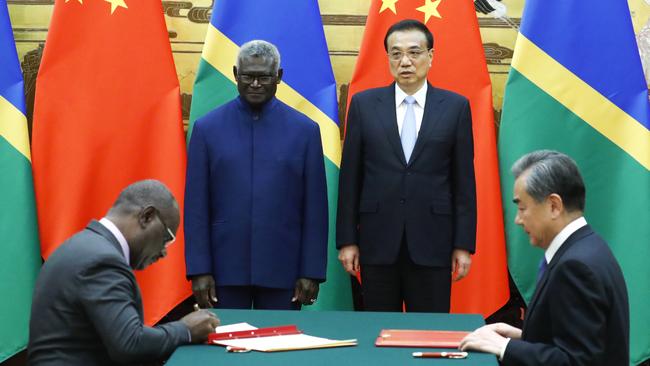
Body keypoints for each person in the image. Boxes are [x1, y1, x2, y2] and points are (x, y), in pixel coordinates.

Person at [336, 19, 476, 312]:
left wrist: (463, 245)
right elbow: (351, 178)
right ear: (387, 58)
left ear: (430, 56)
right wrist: (347, 240)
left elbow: (463, 182)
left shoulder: (455, 107)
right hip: (377, 242)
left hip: (433, 242)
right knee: (377, 332)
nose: (405, 62)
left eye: (414, 52)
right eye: (396, 53)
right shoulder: (363, 105)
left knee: (429, 333)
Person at [184, 40, 328, 310]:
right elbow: (196, 207)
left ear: (279, 77)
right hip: (223, 270)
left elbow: (315, 209)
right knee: (225, 348)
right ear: (236, 74)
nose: (255, 84)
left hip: (284, 270)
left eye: (264, 77)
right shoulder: (207, 129)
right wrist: (199, 269)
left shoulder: (305, 131)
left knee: (280, 348)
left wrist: (311, 271)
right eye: (248, 76)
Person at [459, 150, 629, 365]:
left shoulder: (576, 267)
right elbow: (578, 343)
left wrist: (505, 347)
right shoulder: (588, 247)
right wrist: (524, 337)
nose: (518, 220)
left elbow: (577, 362)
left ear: (553, 206)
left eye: (522, 208)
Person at [28, 180, 220, 365]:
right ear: (147, 216)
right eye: (167, 238)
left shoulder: (87, 246)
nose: (163, 252)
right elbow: (129, 344)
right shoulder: (101, 260)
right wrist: (185, 330)